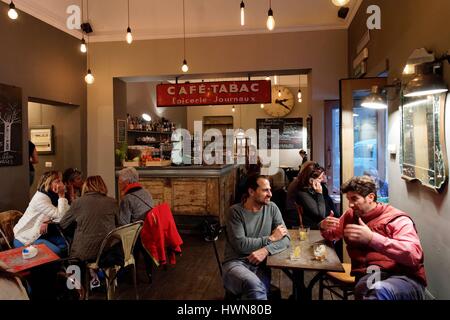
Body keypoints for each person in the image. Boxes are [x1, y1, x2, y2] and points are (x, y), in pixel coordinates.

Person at [319, 176, 427, 300]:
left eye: (354, 199)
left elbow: (414, 255)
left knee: (379, 290)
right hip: (373, 273)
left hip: (404, 277)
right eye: (348, 199)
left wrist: (371, 238)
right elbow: (333, 234)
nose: (350, 205)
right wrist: (323, 226)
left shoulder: (396, 219)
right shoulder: (351, 215)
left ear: (370, 197)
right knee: (364, 288)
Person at [223, 175, 290, 300]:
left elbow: (286, 239)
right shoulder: (235, 212)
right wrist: (270, 239)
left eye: (270, 190)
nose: (270, 194)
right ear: (251, 192)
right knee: (255, 286)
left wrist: (265, 250)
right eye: (265, 190)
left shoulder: (272, 208)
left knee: (259, 289)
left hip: (260, 265)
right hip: (236, 263)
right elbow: (241, 245)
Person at [59, 176, 119, 263]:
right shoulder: (112, 202)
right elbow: (119, 223)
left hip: (83, 253)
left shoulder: (78, 202)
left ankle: (73, 274)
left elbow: (63, 224)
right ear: (103, 185)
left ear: (85, 186)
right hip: (107, 250)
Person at [14, 171, 70, 255]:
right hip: (26, 237)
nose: (62, 184)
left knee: (66, 244)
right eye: (58, 181)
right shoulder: (40, 198)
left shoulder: (51, 195)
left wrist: (46, 219)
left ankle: (57, 266)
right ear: (48, 183)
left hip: (41, 234)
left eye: (61, 181)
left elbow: (65, 212)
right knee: (56, 251)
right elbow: (61, 216)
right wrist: (61, 195)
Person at [117, 167, 154, 280]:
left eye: (119, 181)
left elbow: (124, 223)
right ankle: (149, 273)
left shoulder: (128, 198)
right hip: (150, 230)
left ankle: (125, 272)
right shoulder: (146, 192)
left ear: (127, 182)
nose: (118, 183)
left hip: (137, 235)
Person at [285, 162, 337, 229]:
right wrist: (319, 193)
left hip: (313, 225)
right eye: (320, 178)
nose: (322, 180)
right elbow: (321, 215)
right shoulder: (301, 192)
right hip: (303, 228)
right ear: (311, 180)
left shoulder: (309, 189)